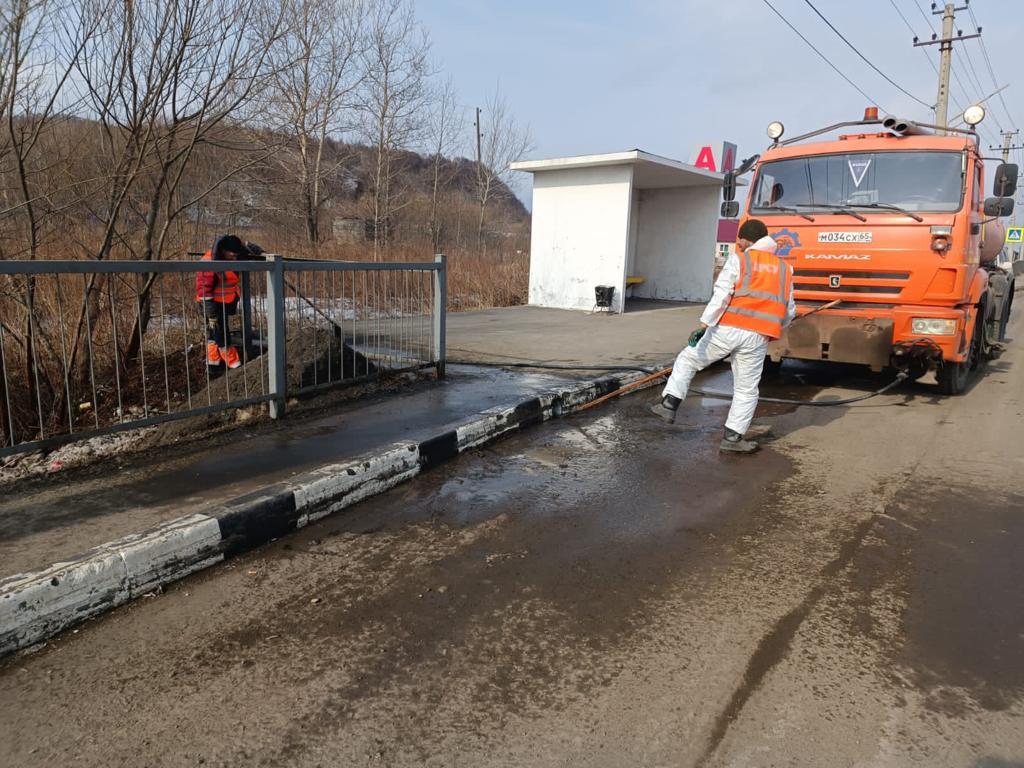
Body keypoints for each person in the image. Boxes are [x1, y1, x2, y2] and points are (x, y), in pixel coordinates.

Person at [649, 219, 795, 453]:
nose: (737, 242)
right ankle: (733, 438)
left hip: (728, 329)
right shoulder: (785, 269)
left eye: (740, 238)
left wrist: (704, 323)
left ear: (749, 239)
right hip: (758, 337)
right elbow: (789, 311)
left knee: (689, 359)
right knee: (747, 389)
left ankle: (669, 404)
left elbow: (722, 295)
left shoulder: (741, 259)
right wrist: (775, 325)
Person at [194, 235, 262, 370]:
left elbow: (256, 251)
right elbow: (204, 292)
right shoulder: (208, 262)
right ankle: (234, 364)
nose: (235, 258)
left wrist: (246, 244)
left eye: (237, 254)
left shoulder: (231, 255)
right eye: (233, 255)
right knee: (221, 335)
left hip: (224, 302)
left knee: (214, 333)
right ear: (224, 250)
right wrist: (212, 315)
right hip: (211, 305)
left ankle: (213, 364)